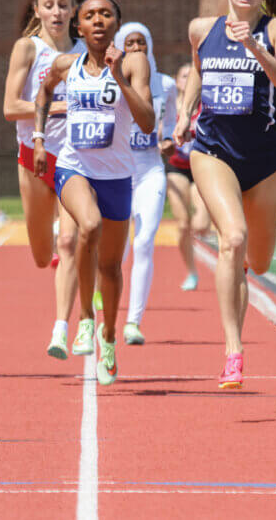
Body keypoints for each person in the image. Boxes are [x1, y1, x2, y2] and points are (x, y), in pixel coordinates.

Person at [173, 0, 276, 389]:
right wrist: (185, 111)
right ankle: (233, 351)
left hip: (265, 161)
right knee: (233, 238)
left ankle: (240, 269)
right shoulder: (201, 29)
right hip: (213, 152)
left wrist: (257, 50)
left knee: (259, 262)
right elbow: (199, 71)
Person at [35, 0, 154, 386]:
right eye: (90, 16)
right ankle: (84, 319)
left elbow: (149, 122)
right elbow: (43, 92)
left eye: (106, 15)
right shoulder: (66, 66)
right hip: (74, 167)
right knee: (88, 226)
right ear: (79, 27)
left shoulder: (134, 63)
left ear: (117, 22)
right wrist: (39, 139)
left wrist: (118, 76)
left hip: (118, 175)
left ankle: (107, 337)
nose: (98, 21)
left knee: (111, 267)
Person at [2, 0, 87, 360]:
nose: (56, 12)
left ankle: (61, 327)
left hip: (76, 159)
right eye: (48, 5)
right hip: (34, 157)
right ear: (37, 10)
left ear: (73, 10)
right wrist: (57, 108)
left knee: (70, 242)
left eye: (63, 5)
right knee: (41, 254)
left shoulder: (88, 51)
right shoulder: (28, 49)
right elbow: (9, 108)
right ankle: (49, 237)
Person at [114, 21, 176, 345]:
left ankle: (133, 322)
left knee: (144, 241)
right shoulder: (112, 81)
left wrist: (171, 141)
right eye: (130, 42)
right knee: (118, 245)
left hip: (151, 169)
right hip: (119, 172)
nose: (137, 48)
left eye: (141, 42)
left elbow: (172, 126)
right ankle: (103, 292)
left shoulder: (165, 84)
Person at [165, 63, 211, 291]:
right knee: (183, 225)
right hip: (177, 167)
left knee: (201, 222)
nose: (188, 79)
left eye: (191, 76)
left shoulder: (205, 107)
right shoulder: (169, 108)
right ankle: (191, 271)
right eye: (184, 76)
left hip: (200, 167)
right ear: (176, 81)